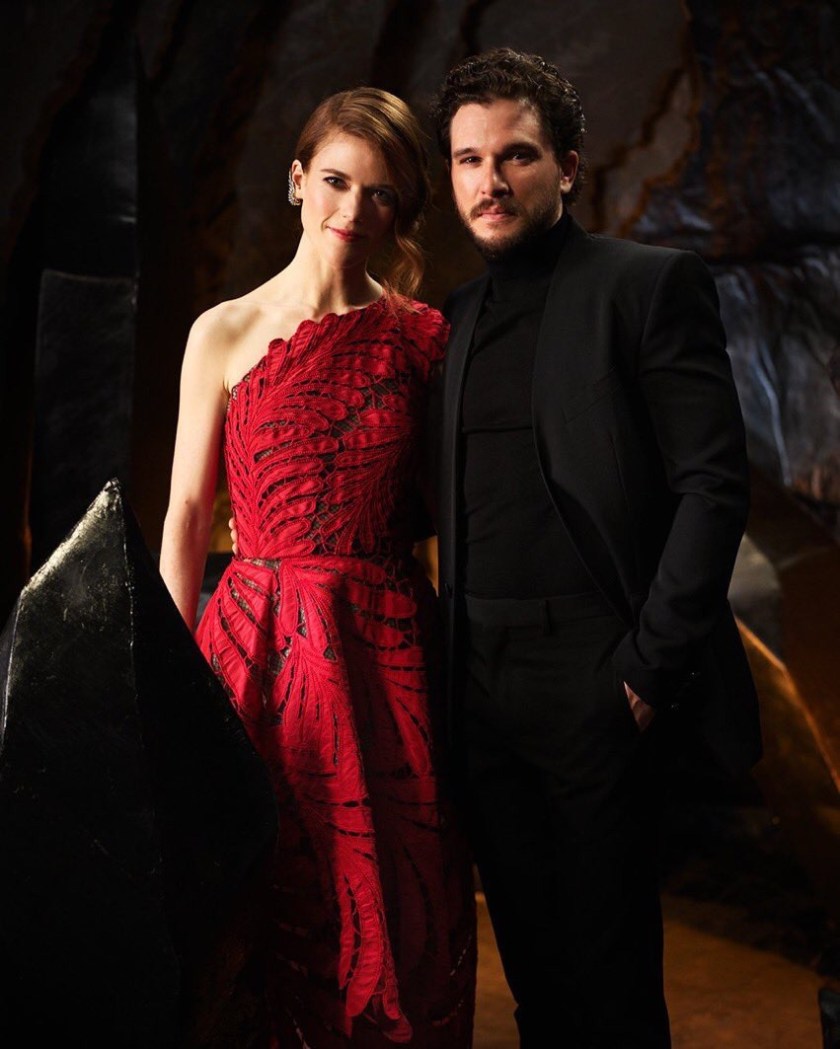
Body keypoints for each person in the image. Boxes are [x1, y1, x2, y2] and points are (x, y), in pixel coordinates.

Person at [428, 49, 762, 1048]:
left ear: (567, 167)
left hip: (597, 671)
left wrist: (647, 666)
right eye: (469, 159)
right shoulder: (450, 320)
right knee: (535, 983)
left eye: (517, 155)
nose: (491, 180)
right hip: (475, 683)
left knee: (611, 989)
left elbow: (714, 484)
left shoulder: (647, 284)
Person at [160, 87, 475, 1048]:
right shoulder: (222, 330)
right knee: (253, 907)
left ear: (400, 210)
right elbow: (186, 513)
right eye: (336, 181)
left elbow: (447, 514)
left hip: (384, 655)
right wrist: (165, 674)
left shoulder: (423, 338)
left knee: (394, 913)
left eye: (380, 193)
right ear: (298, 181)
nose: (353, 208)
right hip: (253, 645)